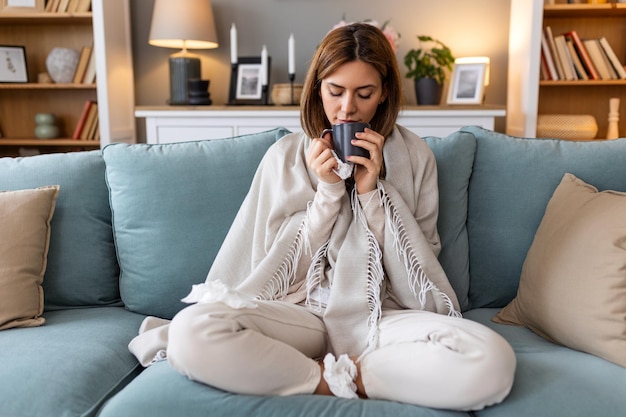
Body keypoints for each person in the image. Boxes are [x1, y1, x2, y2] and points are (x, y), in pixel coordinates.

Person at [129, 23, 516, 411]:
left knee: (491, 359)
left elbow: (419, 272)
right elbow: (272, 273)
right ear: (317, 87)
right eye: (335, 91)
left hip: (385, 316)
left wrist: (372, 192)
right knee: (192, 330)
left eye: (364, 94)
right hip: (302, 314)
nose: (348, 108)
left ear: (383, 95)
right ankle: (320, 379)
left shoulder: (415, 157)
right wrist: (328, 192)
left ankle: (354, 373)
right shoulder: (284, 156)